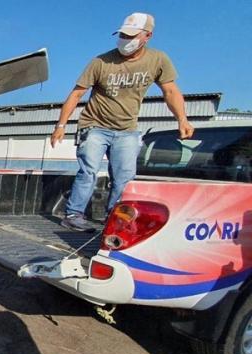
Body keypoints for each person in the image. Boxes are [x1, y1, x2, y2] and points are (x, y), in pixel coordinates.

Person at [51, 12, 194, 232]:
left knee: (124, 178)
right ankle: (73, 214)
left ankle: (115, 218)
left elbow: (171, 91)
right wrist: (60, 126)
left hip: (127, 129)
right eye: (123, 35)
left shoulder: (157, 60)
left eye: (131, 36)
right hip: (94, 125)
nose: (125, 40)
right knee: (89, 171)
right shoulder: (101, 61)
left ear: (147, 36)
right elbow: (77, 93)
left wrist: (182, 120)